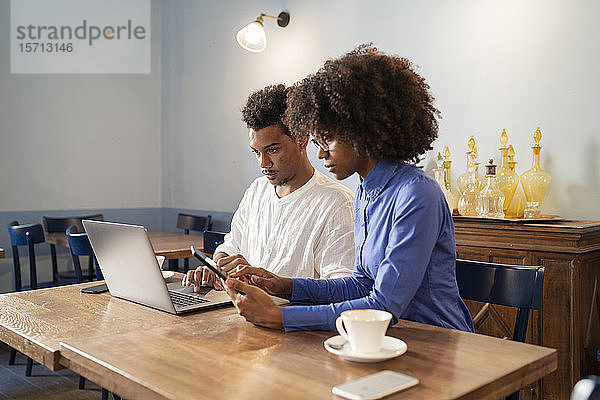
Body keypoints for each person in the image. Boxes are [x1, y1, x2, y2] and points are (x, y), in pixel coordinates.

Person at [223, 45, 474, 333]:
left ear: (362, 132)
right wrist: (284, 285)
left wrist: (280, 318)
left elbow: (383, 306)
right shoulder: (366, 194)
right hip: (381, 339)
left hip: (435, 340)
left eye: (326, 140)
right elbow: (361, 284)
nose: (320, 154)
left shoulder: (417, 195)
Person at [183, 84, 355, 290]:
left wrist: (275, 284)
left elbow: (341, 286)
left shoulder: (336, 203)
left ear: (301, 140)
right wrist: (216, 265)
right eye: (256, 152)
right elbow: (231, 245)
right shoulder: (257, 190)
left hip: (290, 319)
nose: (263, 163)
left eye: (272, 150)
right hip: (238, 310)